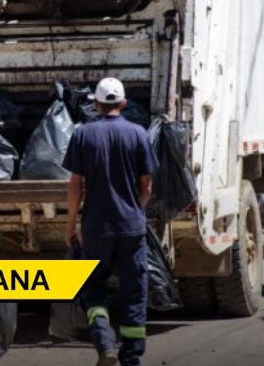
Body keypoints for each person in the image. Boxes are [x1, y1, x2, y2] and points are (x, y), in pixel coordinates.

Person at [64, 77, 159, 366]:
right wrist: (136, 210)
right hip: (131, 226)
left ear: (96, 104)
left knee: (93, 287)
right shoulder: (139, 134)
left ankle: (104, 343)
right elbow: (147, 186)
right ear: (123, 103)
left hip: (96, 227)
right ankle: (130, 359)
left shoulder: (82, 134)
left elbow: (75, 185)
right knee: (134, 292)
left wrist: (70, 225)